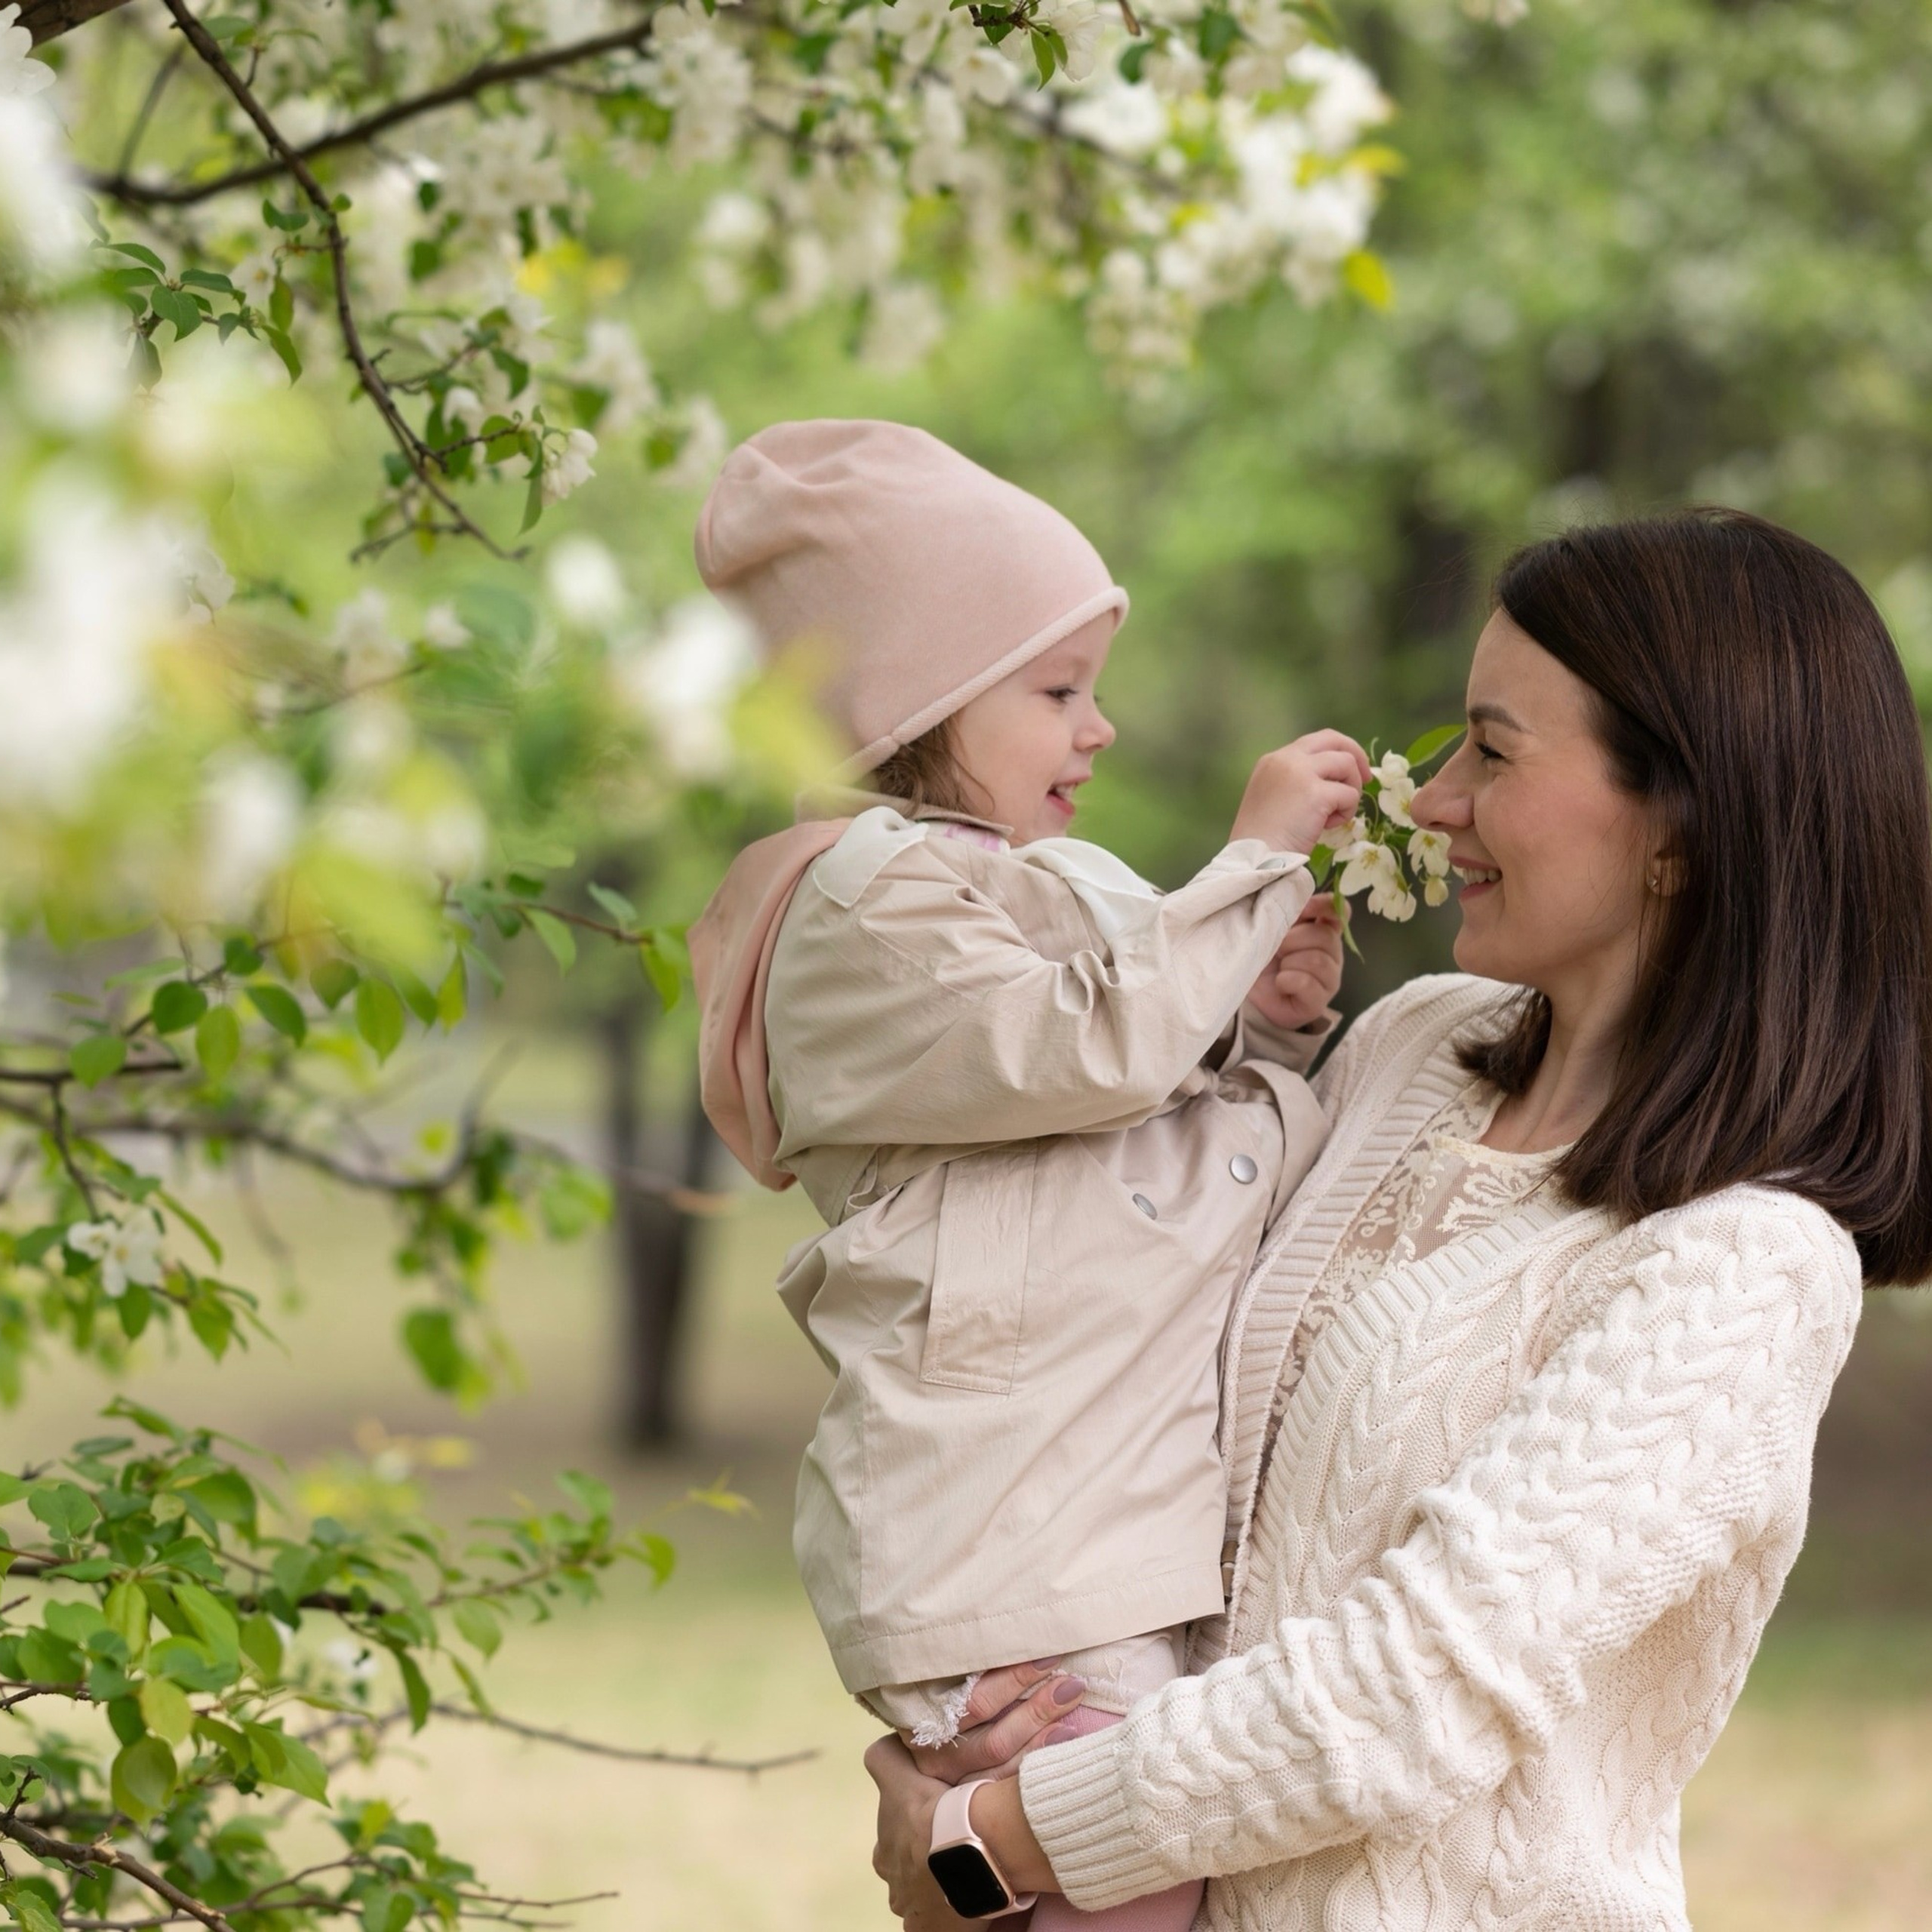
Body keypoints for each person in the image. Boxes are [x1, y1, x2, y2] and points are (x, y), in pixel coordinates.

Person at [866, 507, 1932, 1930]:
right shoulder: (1413, 1047)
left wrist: (1001, 1833)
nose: (1430, 802)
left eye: (1493, 753)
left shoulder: (1744, 1263)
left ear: (1681, 823)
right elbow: (1137, 1353)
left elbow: (1418, 1684)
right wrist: (996, 1711)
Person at [688, 419, 1367, 1930]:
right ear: (904, 700)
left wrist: (1257, 1008)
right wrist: (1246, 866)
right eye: (1056, 690)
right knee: (1116, 1882)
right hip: (1017, 1572)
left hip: (1090, 1540)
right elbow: (1087, 1048)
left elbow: (1154, 1108)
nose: (1099, 727)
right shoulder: (860, 907)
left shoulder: (1013, 890)